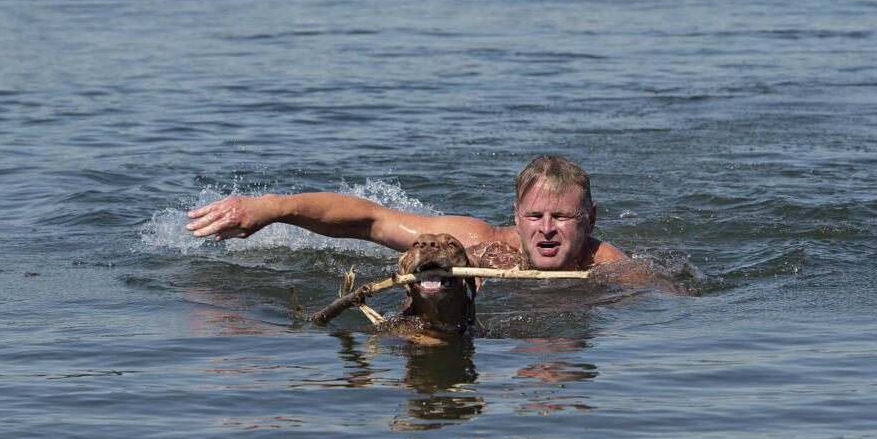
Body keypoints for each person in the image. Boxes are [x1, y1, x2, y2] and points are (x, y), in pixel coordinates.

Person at [185, 155, 626, 272]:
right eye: (535, 216)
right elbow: (371, 220)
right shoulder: (479, 244)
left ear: (589, 220)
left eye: (562, 218)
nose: (546, 230)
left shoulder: (610, 268)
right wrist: (270, 208)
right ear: (516, 216)